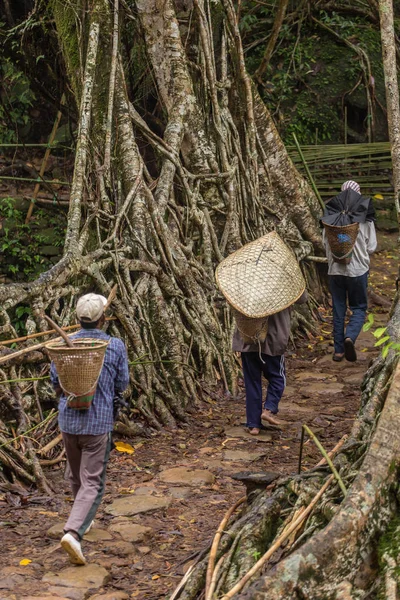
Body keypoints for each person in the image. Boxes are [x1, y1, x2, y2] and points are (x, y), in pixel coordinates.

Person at [50, 293, 129, 565]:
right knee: (92, 481)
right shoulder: (115, 346)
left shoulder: (63, 345)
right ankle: (73, 532)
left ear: (77, 318)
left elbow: (54, 382)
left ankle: (83, 518)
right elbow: (122, 382)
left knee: (76, 474)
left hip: (68, 422)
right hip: (98, 423)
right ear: (103, 318)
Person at [232, 291, 308, 435]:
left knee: (252, 382)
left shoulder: (245, 278)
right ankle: (269, 409)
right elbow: (302, 298)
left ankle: (253, 425)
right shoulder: (284, 279)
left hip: (248, 339)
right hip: (273, 341)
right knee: (278, 378)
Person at [322, 180, 377, 362]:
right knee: (359, 307)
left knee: (338, 308)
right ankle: (350, 337)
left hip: (335, 271)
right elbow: (371, 247)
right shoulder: (365, 218)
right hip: (358, 271)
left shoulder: (330, 219)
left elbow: (325, 244)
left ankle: (338, 351)